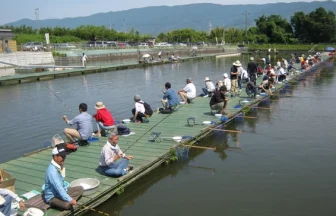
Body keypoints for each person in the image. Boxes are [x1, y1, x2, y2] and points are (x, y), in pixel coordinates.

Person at [43, 145, 84, 210]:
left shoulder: (59, 164)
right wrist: (70, 200)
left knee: (80, 188)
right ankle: (65, 200)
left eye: (64, 156)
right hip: (53, 197)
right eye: (62, 156)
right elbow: (59, 188)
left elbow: (62, 188)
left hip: (62, 191)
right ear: (55, 156)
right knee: (67, 205)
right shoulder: (52, 172)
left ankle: (65, 198)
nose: (64, 158)